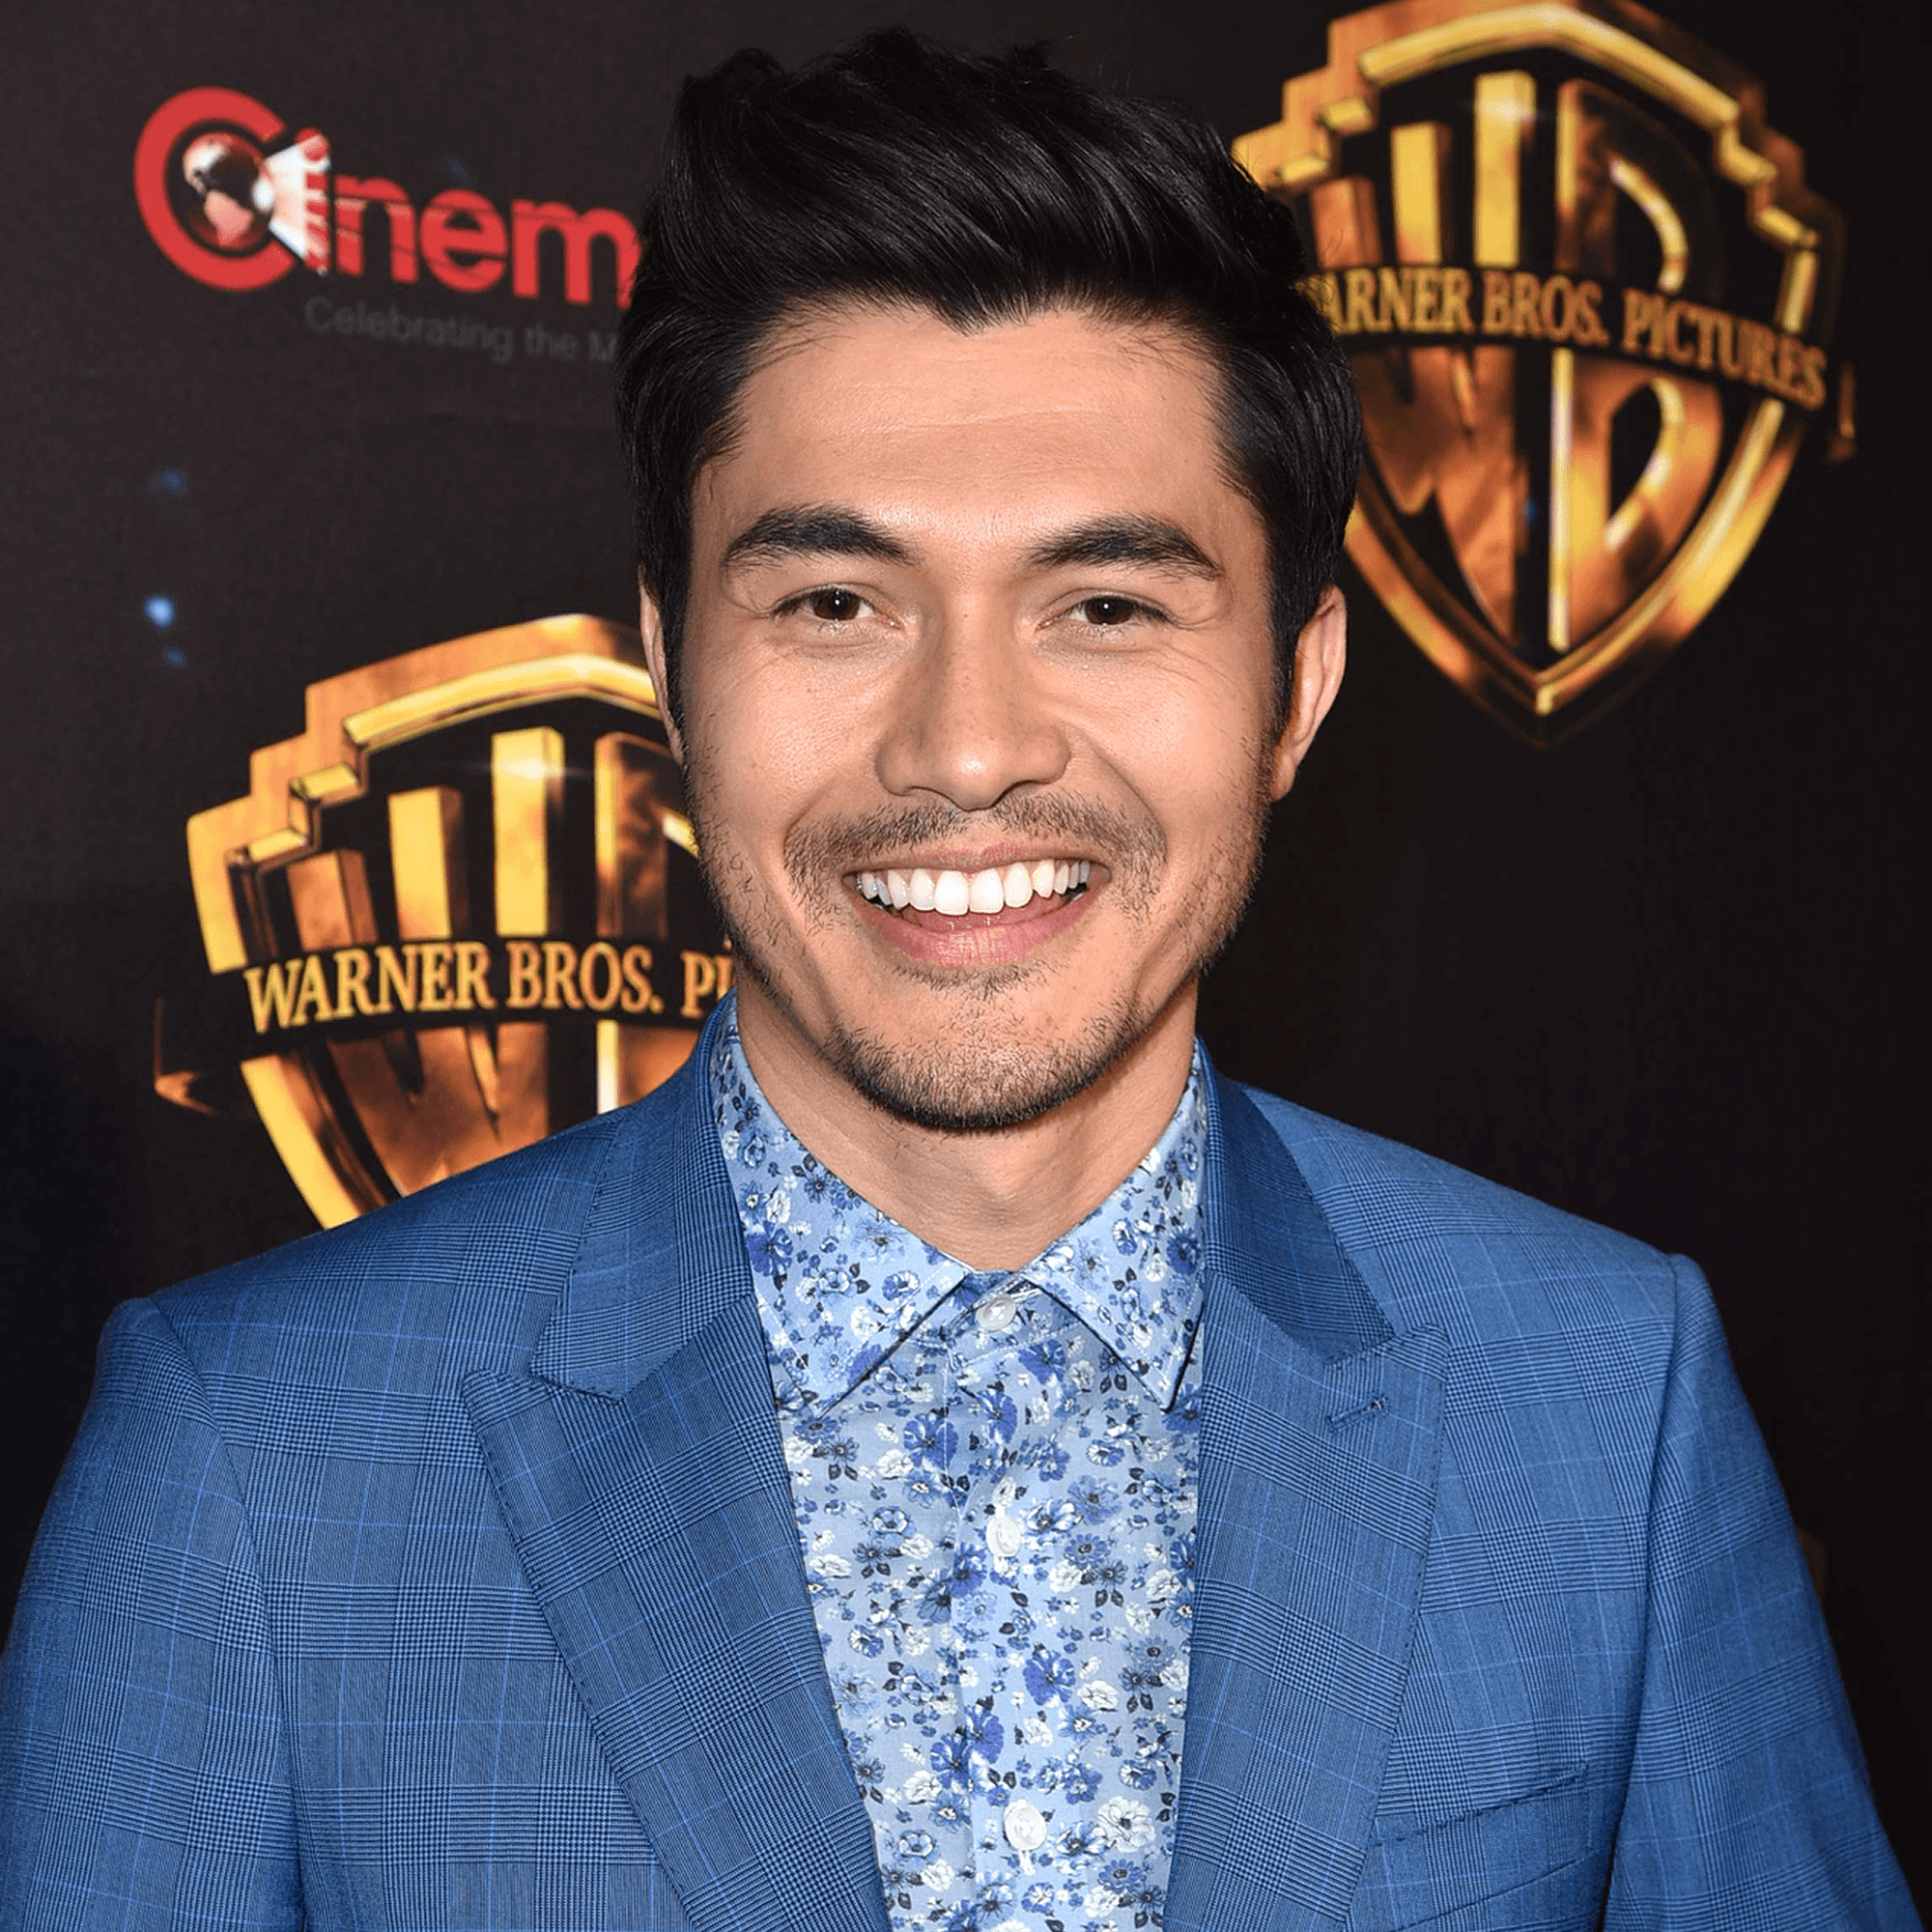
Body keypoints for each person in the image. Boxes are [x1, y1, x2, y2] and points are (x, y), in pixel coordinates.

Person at [0, 30, 1913, 1932]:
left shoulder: (1603, 1396)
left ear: (1296, 689)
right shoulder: (253, 1462)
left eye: (1108, 606)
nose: (970, 747)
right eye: (836, 603)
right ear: (670, 670)